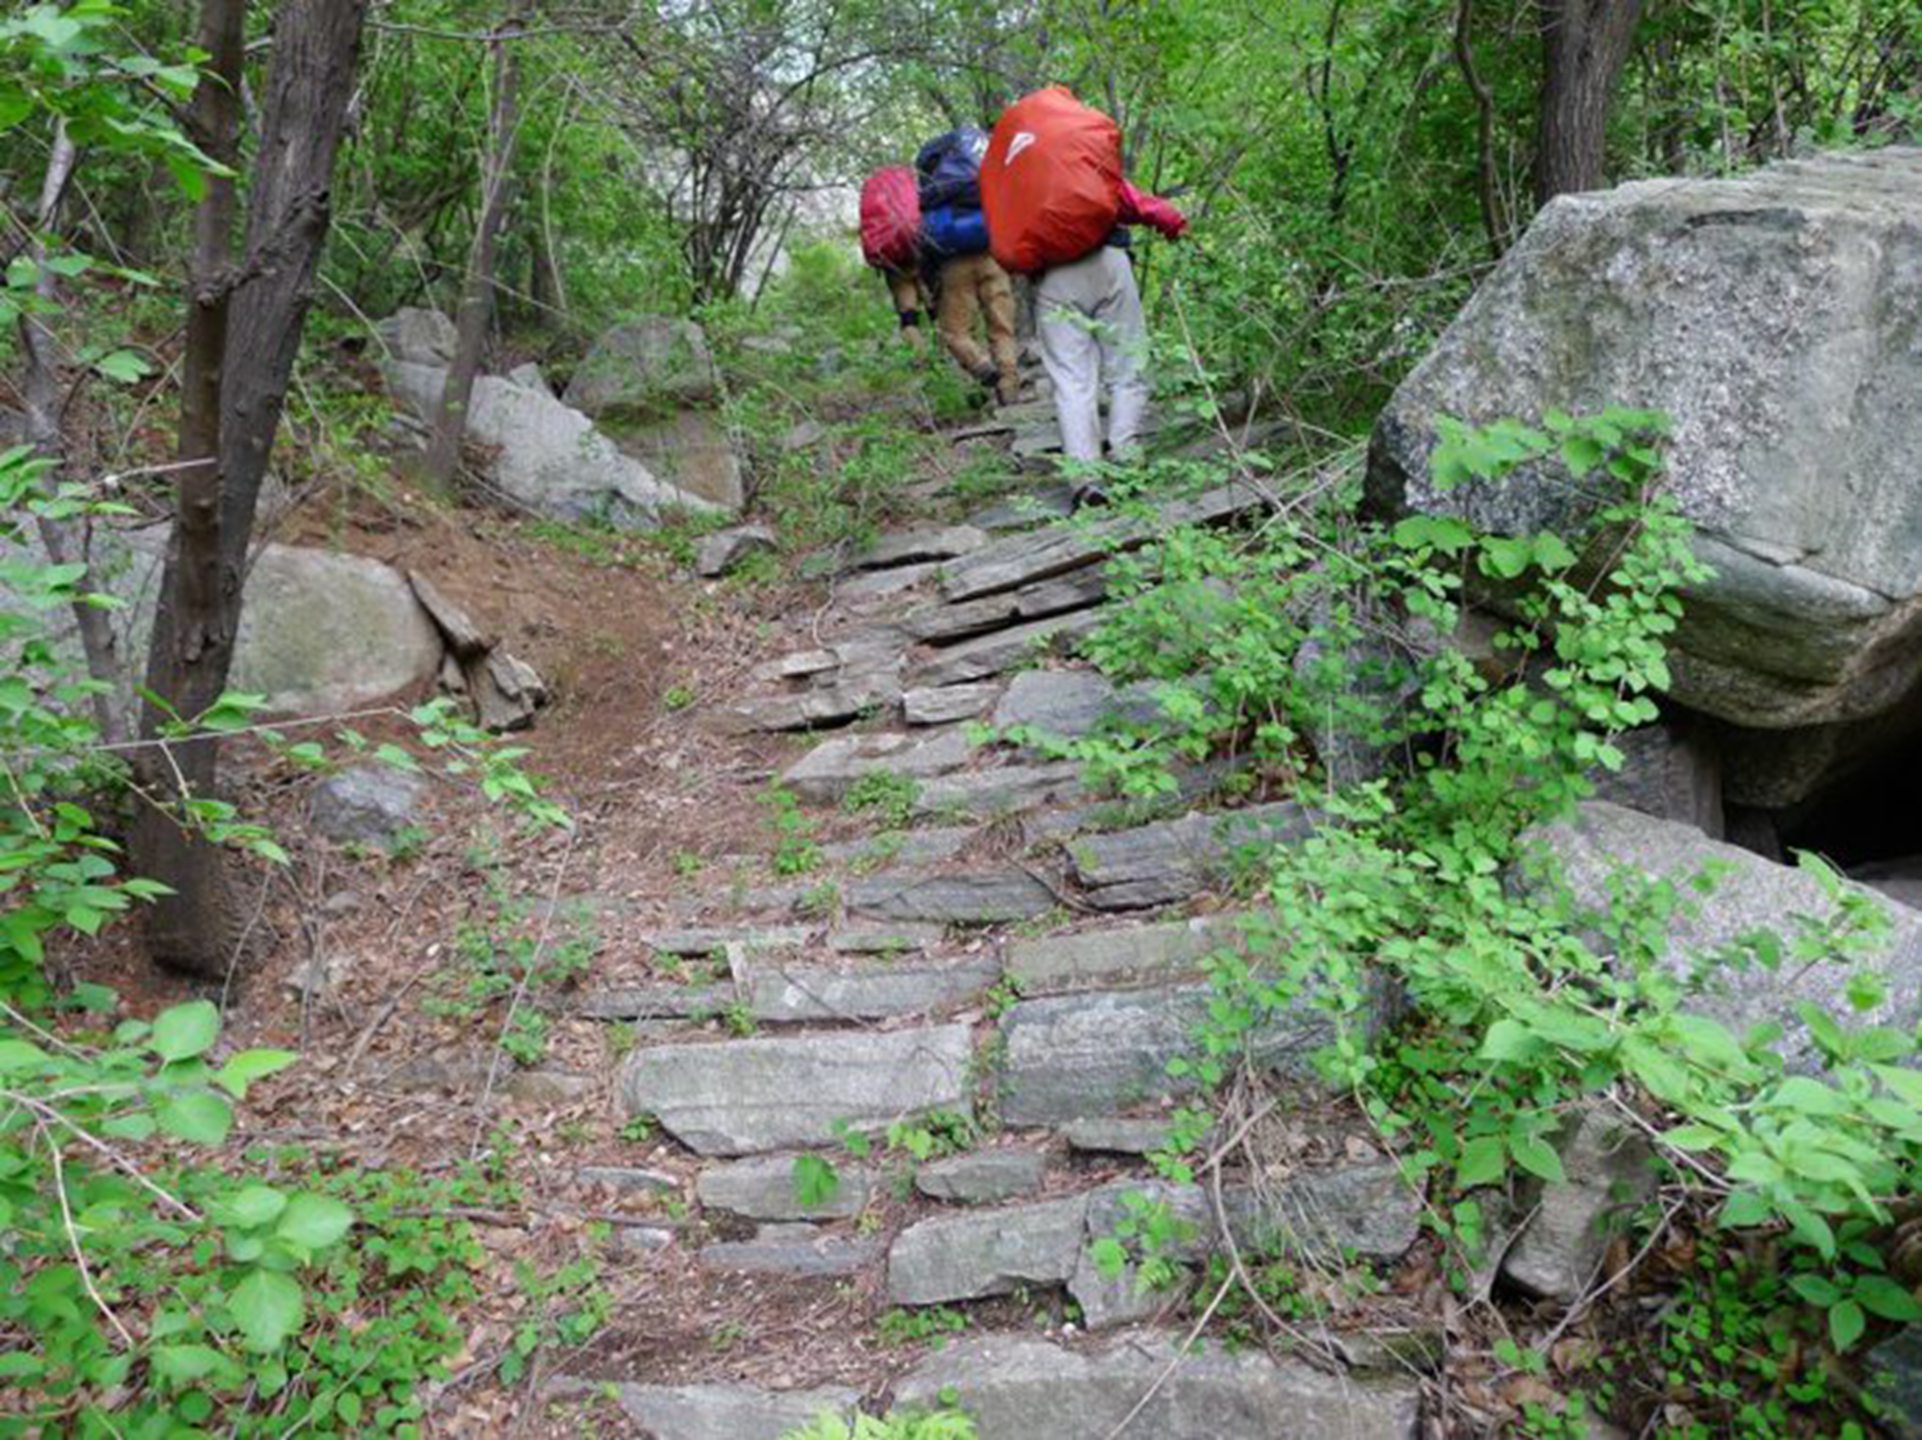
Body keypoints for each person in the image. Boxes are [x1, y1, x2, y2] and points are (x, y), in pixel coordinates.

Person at [1036, 179, 1187, 471]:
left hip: (1054, 276)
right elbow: (1130, 200)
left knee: (1071, 381)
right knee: (1128, 364)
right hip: (1108, 260)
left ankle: (1084, 475)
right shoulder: (1083, 159)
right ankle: (1125, 454)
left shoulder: (1017, 171)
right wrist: (1174, 222)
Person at [916, 128, 1022, 407]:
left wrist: (929, 283)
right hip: (993, 258)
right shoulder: (980, 184)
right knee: (1002, 327)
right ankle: (1009, 387)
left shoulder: (933, 192)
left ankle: (981, 367)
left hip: (952, 266)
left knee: (955, 332)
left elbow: (923, 242)